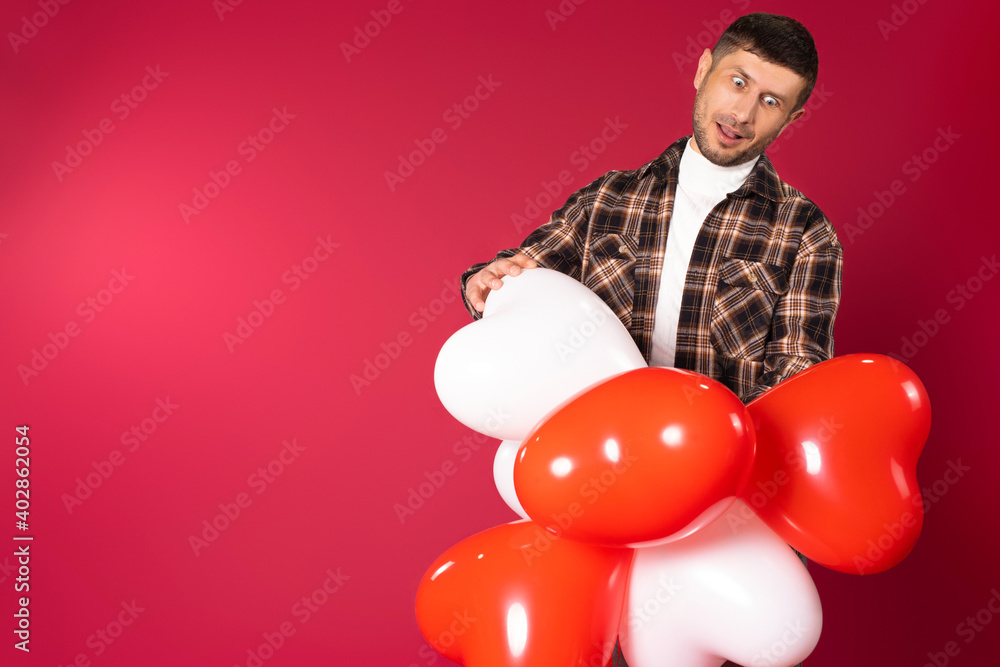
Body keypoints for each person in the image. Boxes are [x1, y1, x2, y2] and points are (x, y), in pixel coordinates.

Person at [460, 12, 841, 667]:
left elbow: (798, 389)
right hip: (590, 490)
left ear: (791, 119)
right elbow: (521, 279)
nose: (743, 111)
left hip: (710, 515)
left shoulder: (804, 234)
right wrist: (485, 282)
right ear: (703, 71)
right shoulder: (609, 199)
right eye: (737, 80)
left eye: (770, 100)